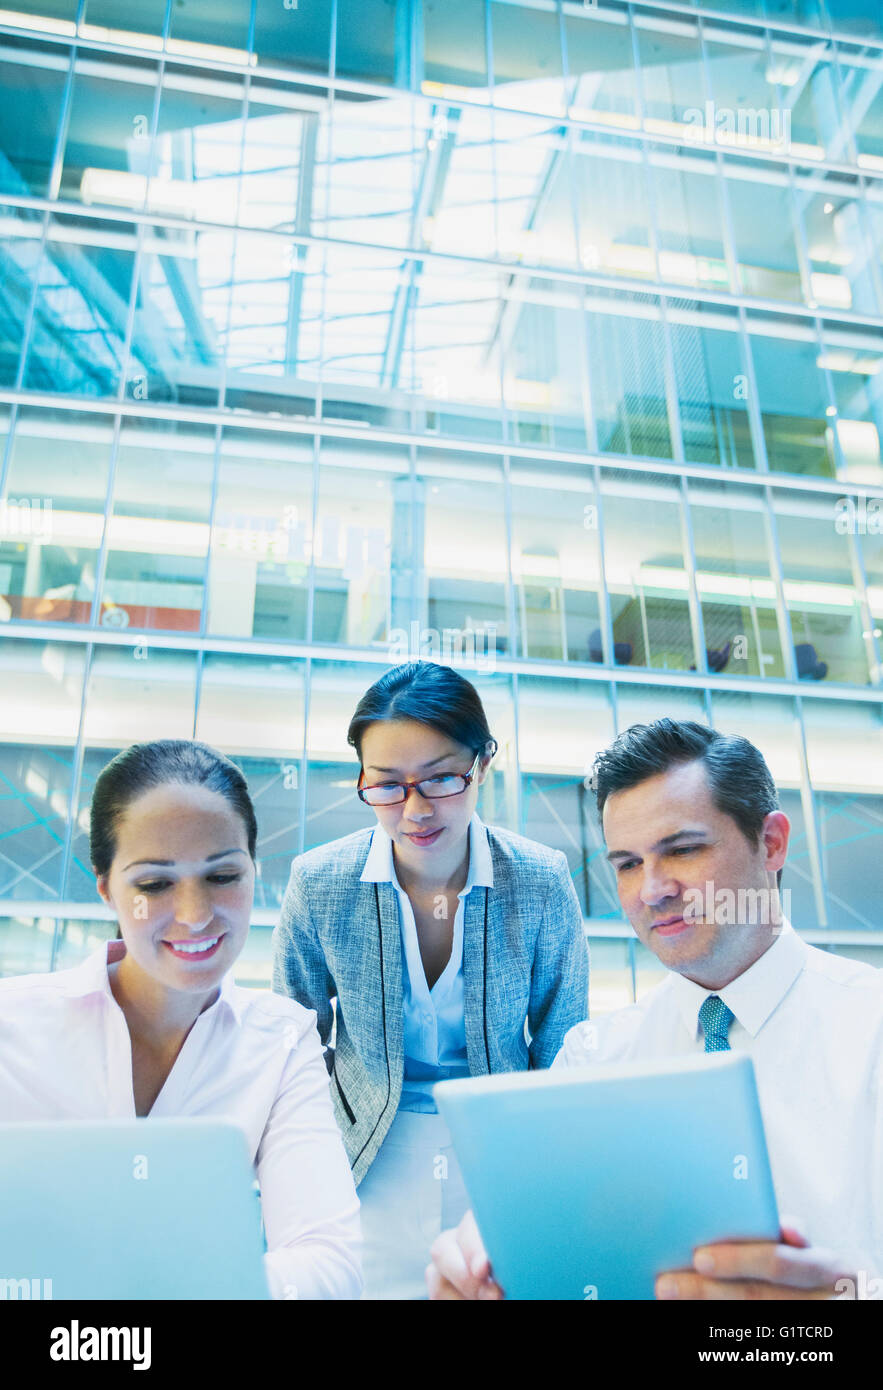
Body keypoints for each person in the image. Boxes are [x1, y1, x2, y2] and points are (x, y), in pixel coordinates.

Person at [427, 718, 883, 1301]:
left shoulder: (870, 1032)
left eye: (684, 850)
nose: (652, 890)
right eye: (627, 864)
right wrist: (493, 1272)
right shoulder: (593, 1060)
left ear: (770, 843)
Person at [0, 740, 362, 1300]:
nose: (195, 916)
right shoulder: (12, 1024)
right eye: (154, 884)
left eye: (222, 877)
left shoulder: (281, 1040)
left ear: (253, 872)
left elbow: (331, 1265)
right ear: (105, 887)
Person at [272, 660, 589, 1298]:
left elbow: (565, 1044)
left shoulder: (540, 878)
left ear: (482, 764)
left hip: (500, 1149)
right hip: (362, 1152)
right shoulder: (320, 882)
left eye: (442, 778)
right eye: (386, 785)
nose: (415, 809)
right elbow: (294, 1041)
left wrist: (553, 1172)